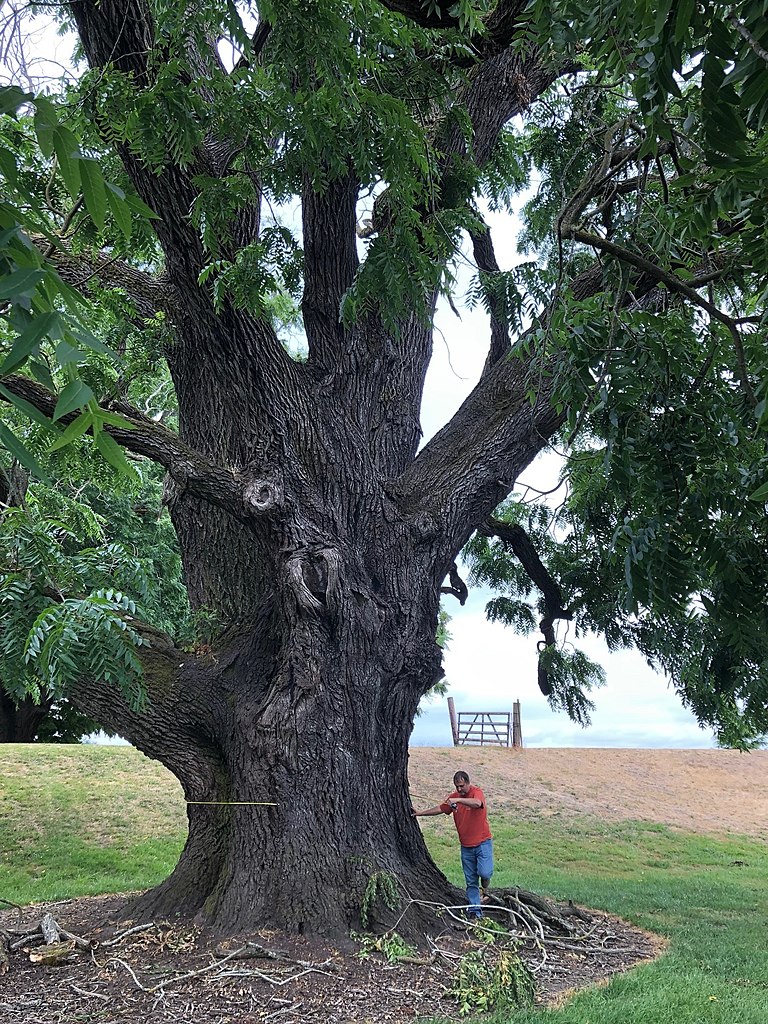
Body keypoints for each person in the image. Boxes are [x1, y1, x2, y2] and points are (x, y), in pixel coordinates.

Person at [411, 770, 493, 918]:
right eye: (457, 787)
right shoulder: (454, 797)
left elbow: (478, 803)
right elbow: (440, 809)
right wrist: (420, 813)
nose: (459, 789)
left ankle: (485, 889)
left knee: (485, 873)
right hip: (466, 846)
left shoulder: (476, 792)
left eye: (461, 786)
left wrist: (459, 801)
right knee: (471, 881)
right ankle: (475, 911)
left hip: (483, 843)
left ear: (468, 782)